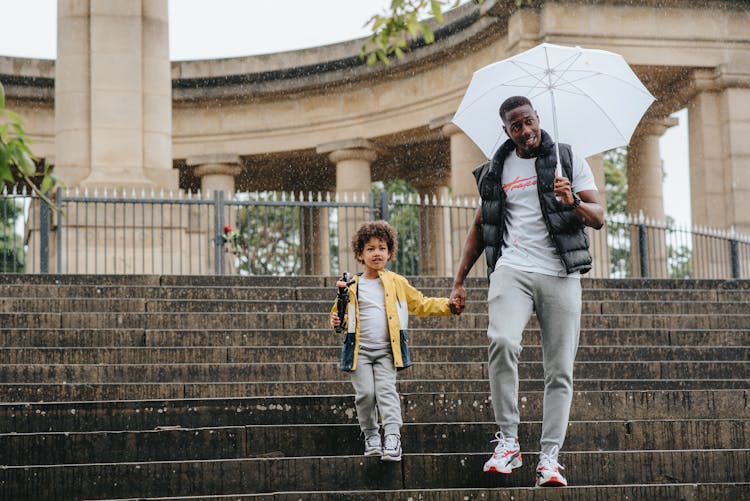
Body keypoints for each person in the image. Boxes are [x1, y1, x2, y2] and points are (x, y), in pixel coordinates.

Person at [449, 96, 605, 487]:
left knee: (559, 370)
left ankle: (549, 458)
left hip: (560, 273)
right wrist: (459, 280)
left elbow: (599, 217)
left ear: (538, 119)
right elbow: (478, 228)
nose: (526, 131)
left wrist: (571, 202)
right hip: (511, 268)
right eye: (516, 126)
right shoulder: (493, 171)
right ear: (507, 131)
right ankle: (508, 441)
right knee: (501, 341)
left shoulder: (569, 159)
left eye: (529, 122)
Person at [330, 220, 460, 461]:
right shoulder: (351, 285)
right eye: (370, 248)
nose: (376, 253)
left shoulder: (397, 282)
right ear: (360, 254)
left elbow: (420, 303)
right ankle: (371, 435)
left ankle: (392, 436)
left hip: (388, 351)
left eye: (381, 247)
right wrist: (336, 320)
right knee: (366, 395)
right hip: (359, 352)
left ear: (389, 253)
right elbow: (338, 315)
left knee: (387, 391)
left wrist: (448, 306)